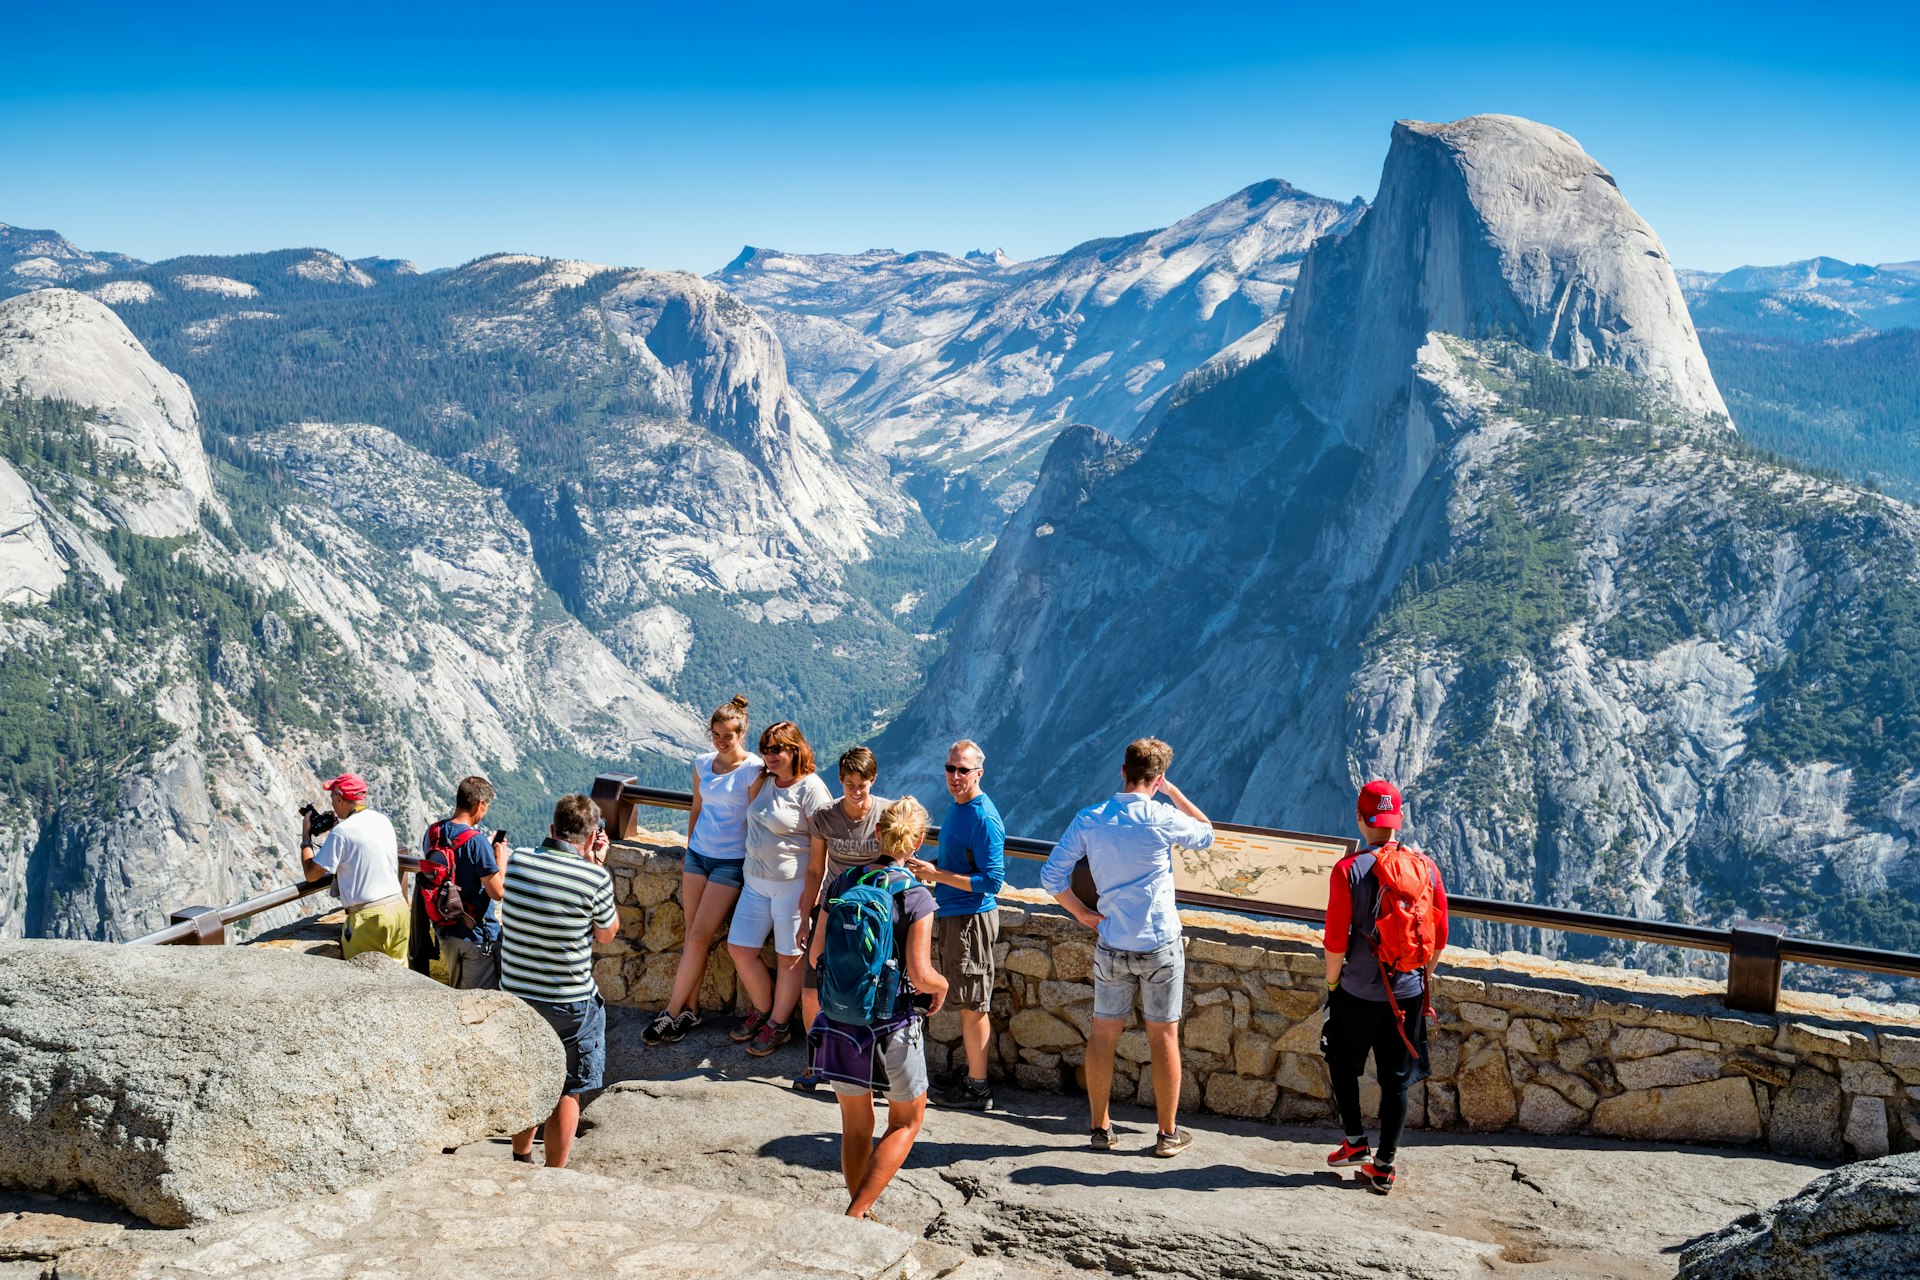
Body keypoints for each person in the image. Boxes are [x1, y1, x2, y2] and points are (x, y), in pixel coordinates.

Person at [1040, 738, 1213, 1157]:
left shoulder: (1091, 819)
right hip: (1159, 944)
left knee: (1103, 1035)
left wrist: (1082, 915)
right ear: (1157, 778)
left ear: (1123, 771)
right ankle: (1168, 1135)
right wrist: (1172, 792)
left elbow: (1051, 876)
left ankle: (1100, 1129)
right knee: (1164, 1037)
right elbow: (1207, 834)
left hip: (1112, 941)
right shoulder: (1162, 817)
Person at [807, 797, 947, 1219]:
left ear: (875, 833)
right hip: (892, 1022)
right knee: (906, 1121)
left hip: (839, 1019)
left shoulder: (844, 881)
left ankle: (860, 1215)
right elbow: (921, 976)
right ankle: (856, 1215)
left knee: (855, 1125)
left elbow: (817, 956)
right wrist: (941, 986)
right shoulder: (916, 896)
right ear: (918, 841)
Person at [1321, 779, 1449, 1195]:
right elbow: (1440, 936)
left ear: (1360, 819)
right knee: (1396, 1080)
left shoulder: (1347, 870)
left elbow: (1335, 941)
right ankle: (1384, 1166)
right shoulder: (1426, 868)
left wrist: (1333, 983)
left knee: (1341, 1063)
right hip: (1408, 993)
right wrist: (1418, 974)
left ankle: (1355, 1141)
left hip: (1357, 991)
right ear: (1399, 820)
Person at [500, 793, 618, 1168]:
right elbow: (606, 934)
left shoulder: (518, 860)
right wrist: (595, 864)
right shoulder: (594, 877)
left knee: (529, 1077)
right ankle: (554, 1173)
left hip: (516, 997)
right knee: (569, 1089)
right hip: (569, 1004)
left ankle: (521, 1156)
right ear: (590, 837)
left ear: (552, 829)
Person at [644, 694, 762, 1045]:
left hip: (730, 861)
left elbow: (755, 821)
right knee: (692, 937)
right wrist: (688, 845)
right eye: (715, 734)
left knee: (698, 937)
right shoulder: (701, 763)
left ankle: (670, 1011)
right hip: (697, 856)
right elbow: (696, 808)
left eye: (728, 735)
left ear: (742, 732)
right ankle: (690, 1012)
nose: (721, 741)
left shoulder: (754, 770)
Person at [905, 739, 1004, 1110]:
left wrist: (938, 874)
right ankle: (972, 1077)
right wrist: (932, 869)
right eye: (950, 768)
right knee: (967, 1002)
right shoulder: (961, 807)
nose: (955, 776)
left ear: (979, 773)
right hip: (956, 914)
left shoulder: (982, 816)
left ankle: (978, 1088)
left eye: (963, 770)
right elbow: (959, 861)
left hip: (970, 919)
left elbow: (992, 882)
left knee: (974, 1004)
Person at [727, 720, 832, 1056]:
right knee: (740, 949)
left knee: (789, 958)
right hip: (755, 881)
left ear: (795, 750)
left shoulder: (812, 790)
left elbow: (822, 849)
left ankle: (778, 1023)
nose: (769, 756)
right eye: (765, 749)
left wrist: (810, 899)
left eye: (776, 749)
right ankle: (762, 1008)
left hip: (792, 885)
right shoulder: (767, 780)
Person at [792, 746, 892, 1090]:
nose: (856, 790)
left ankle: (870, 1070)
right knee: (811, 992)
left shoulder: (887, 815)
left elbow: (898, 866)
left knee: (869, 997)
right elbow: (815, 870)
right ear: (841, 781)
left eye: (862, 784)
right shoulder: (825, 817)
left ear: (873, 780)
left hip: (872, 921)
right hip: (831, 913)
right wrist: (805, 918)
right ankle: (816, 1063)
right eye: (850, 783)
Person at [301, 772, 408, 962]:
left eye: (333, 798)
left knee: (365, 983)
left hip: (370, 919)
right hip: (398, 910)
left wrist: (306, 838)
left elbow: (311, 874)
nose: (332, 803)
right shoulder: (382, 820)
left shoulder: (343, 833)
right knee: (400, 979)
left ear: (341, 799)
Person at [422, 774, 513, 989]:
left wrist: (485, 853)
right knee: (476, 1005)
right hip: (475, 936)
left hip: (445, 929)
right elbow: (497, 892)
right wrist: (501, 860)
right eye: (486, 806)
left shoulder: (434, 832)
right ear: (480, 804)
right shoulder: (477, 842)